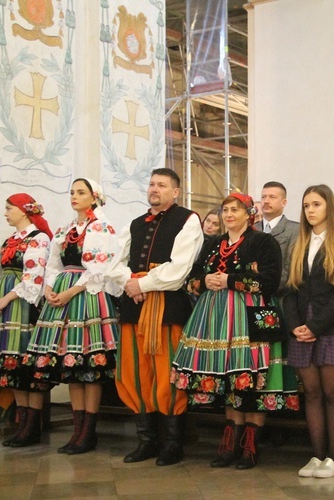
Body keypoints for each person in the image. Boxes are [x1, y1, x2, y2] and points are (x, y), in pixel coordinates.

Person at [172, 192, 297, 470]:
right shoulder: (213, 243)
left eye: (235, 210)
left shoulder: (263, 241)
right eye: (225, 210)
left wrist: (230, 279)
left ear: (249, 214)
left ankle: (250, 446)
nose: (228, 215)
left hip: (251, 315)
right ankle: (230, 443)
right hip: (214, 316)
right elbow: (191, 278)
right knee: (229, 378)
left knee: (252, 378)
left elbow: (271, 280)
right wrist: (204, 281)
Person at [107, 168, 204, 466]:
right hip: (134, 307)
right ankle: (146, 440)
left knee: (166, 373)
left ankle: (172, 443)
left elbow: (179, 268)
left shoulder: (188, 219)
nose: (154, 189)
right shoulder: (135, 223)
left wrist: (142, 283)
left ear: (175, 191)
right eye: (151, 184)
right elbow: (114, 264)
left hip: (167, 308)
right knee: (134, 372)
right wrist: (129, 283)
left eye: (162, 185)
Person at [27, 178, 120, 453]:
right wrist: (49, 288)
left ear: (94, 197)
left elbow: (101, 269)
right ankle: (77, 431)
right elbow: (53, 263)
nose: (74, 196)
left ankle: (88, 432)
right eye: (72, 192)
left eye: (81, 192)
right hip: (63, 298)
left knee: (89, 367)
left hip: (87, 297)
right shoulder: (65, 229)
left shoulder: (102, 227)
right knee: (71, 367)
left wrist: (71, 292)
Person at [284, 184, 334, 479]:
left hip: (332, 326)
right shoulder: (299, 243)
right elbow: (290, 291)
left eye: (316, 204)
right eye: (306, 206)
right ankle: (316, 456)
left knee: (331, 393)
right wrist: (295, 327)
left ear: (328, 206)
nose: (310, 210)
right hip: (302, 326)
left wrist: (315, 326)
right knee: (311, 393)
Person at [0, 193, 53, 447]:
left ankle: (32, 427)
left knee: (25, 364)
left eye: (9, 208)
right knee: (11, 366)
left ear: (24, 211)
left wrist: (6, 298)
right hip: (3, 305)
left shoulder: (38, 239)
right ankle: (22, 425)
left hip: (22, 305)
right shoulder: (8, 240)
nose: (6, 212)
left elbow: (33, 277)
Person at [254, 181, 299, 293]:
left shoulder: (295, 230)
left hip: (281, 297)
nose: (266, 201)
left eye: (272, 197)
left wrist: (264, 286)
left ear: (284, 202)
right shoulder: (252, 230)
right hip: (251, 297)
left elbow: (290, 268)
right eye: (263, 197)